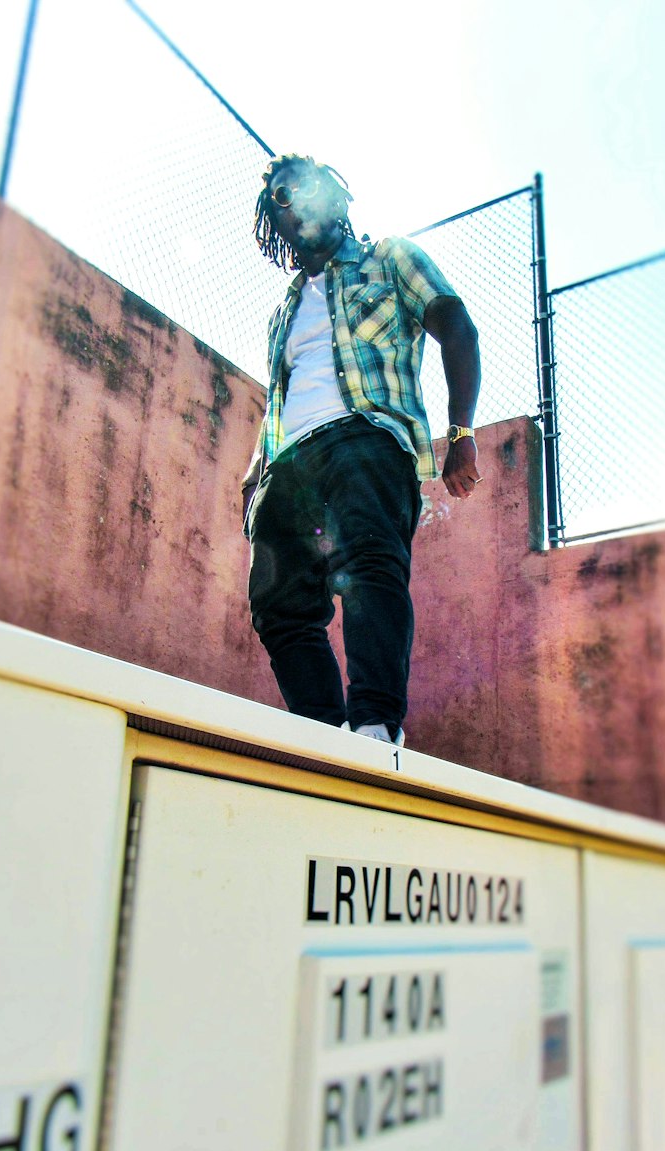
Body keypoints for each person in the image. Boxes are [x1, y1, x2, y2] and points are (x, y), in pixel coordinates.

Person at [243, 153, 482, 747]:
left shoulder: (390, 257)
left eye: (303, 188)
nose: (294, 201)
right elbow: (280, 394)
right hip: (287, 462)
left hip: (366, 436)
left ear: (334, 195)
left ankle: (375, 726)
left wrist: (461, 431)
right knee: (278, 606)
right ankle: (326, 734)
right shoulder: (285, 311)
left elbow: (457, 326)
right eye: (279, 198)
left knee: (370, 565)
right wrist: (255, 473)